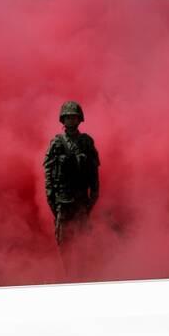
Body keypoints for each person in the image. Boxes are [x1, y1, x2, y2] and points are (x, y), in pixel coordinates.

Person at [43, 101, 100, 271]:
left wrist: (93, 197)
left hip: (81, 200)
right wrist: (52, 200)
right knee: (64, 242)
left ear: (79, 119)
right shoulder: (57, 144)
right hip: (63, 200)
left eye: (74, 117)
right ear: (63, 120)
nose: (71, 120)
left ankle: (83, 274)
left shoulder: (86, 142)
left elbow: (93, 171)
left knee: (83, 241)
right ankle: (68, 274)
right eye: (67, 117)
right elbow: (49, 173)